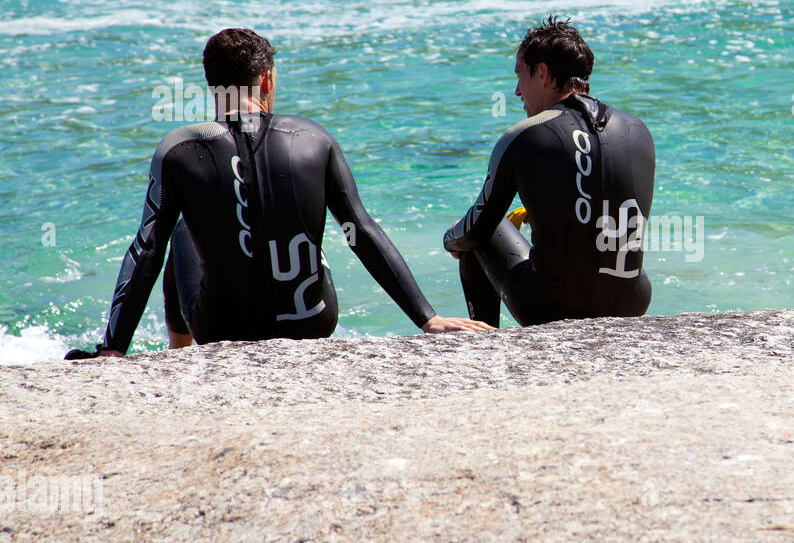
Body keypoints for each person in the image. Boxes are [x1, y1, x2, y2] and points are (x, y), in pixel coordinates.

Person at [67, 28, 490, 359]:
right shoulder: (313, 137)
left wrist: (113, 347)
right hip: (312, 320)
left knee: (176, 233)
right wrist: (428, 319)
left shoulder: (178, 148)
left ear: (211, 85)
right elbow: (359, 229)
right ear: (266, 80)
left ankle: (180, 356)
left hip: (220, 330)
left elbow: (146, 250)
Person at [443, 17, 655, 327]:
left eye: (520, 76)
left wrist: (451, 237)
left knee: (477, 234)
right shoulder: (638, 129)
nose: (516, 91)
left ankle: (483, 344)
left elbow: (477, 230)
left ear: (541, 73)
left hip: (549, 306)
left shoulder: (524, 134)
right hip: (631, 302)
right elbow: (606, 196)